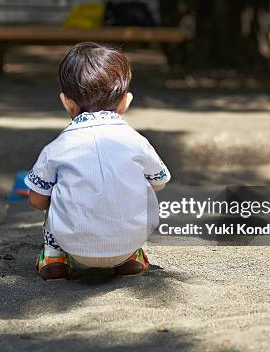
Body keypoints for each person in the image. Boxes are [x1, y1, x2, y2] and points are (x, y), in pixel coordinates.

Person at [24, 42, 171, 280]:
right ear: (125, 101)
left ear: (66, 102)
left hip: (74, 245)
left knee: (52, 197)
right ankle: (130, 258)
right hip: (129, 240)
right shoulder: (135, 141)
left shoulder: (57, 148)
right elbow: (160, 181)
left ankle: (54, 258)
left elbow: (37, 201)